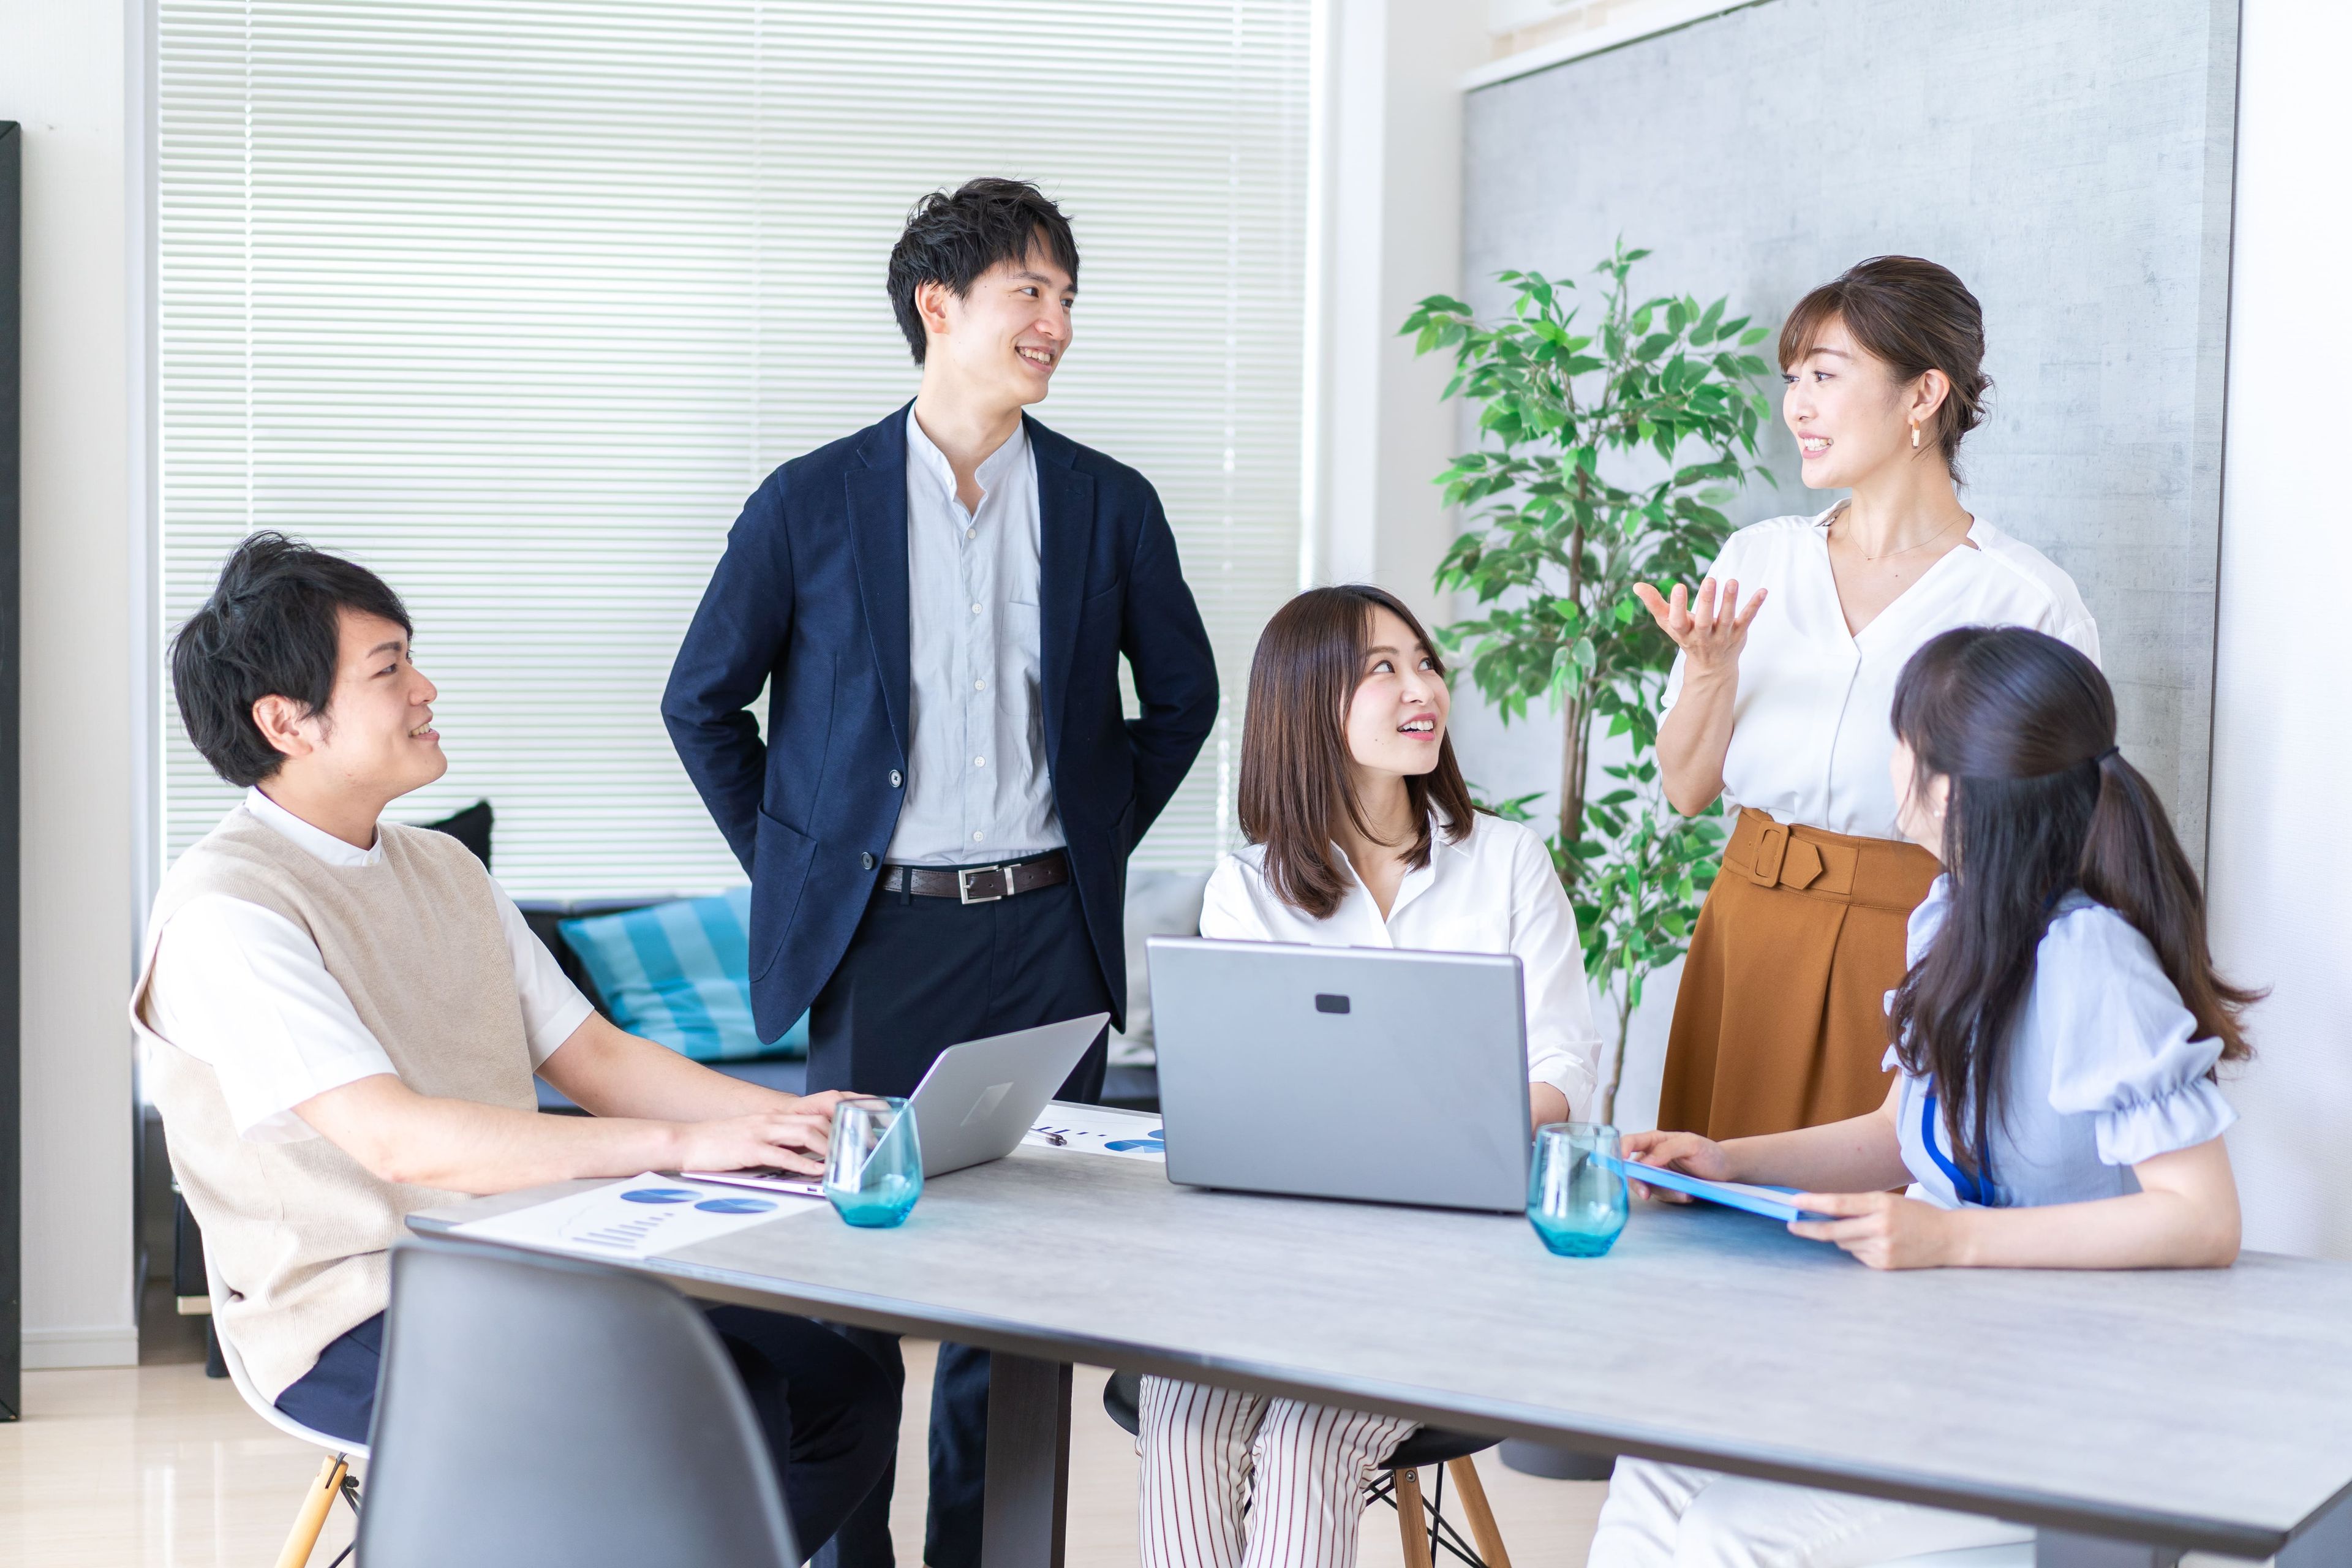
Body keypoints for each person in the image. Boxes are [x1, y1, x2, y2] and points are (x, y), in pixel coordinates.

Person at [133, 534, 897, 1555]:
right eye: (389, 668)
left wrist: (783, 1120)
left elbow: (597, 1057)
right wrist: (680, 1149)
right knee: (710, 1412)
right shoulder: (228, 913)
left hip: (526, 1264)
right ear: (288, 721)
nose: (425, 689)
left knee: (836, 1385)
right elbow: (400, 1144)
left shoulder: (442, 868)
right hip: (346, 1310)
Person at [663, 177, 1219, 1568]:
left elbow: (1187, 696)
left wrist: (1083, 843)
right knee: (858, 1286)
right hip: (881, 943)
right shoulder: (809, 502)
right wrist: (816, 872)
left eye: (1068, 297)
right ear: (938, 305)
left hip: (1047, 938)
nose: (1058, 323)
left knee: (1016, 1294)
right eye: (1030, 292)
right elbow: (701, 703)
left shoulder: (1107, 501)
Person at [1589, 625, 2255, 1567]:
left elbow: (2203, 1220)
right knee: (1652, 1469)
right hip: (1944, 1362)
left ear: (1944, 788)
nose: (1886, 756)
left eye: (1898, 736)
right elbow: (1905, 1134)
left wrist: (1952, 1240)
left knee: (1731, 1539)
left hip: (2077, 1402)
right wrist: (1728, 1160)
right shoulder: (1953, 916)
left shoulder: (2092, 960)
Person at [1136, 585, 1602, 1568]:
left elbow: (1566, 1067)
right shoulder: (1249, 891)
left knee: (1307, 1448)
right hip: (1275, 1266)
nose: (1421, 685)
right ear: (1307, 707)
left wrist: (1441, 1140)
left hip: (1448, 1270)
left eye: (1424, 662)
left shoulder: (1508, 864)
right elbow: (1244, 1100)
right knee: (1183, 1424)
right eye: (1381, 669)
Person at [1635, 255, 2100, 1141]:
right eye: (1792, 380)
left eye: (1825, 376)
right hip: (1744, 932)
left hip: (1918, 947)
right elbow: (1687, 792)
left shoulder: (2023, 601)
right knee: (1711, 1224)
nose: (1796, 407)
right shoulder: (1757, 561)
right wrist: (1709, 670)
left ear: (1924, 394)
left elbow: (2049, 839)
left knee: (1859, 1233)